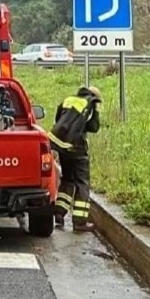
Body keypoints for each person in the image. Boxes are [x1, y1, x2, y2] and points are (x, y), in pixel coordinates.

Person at [47, 86, 102, 231]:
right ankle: (80, 221)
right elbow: (94, 127)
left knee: (67, 179)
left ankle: (59, 213)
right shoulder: (89, 103)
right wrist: (96, 110)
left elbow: (59, 119)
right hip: (77, 149)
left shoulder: (68, 100)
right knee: (82, 183)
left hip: (62, 147)